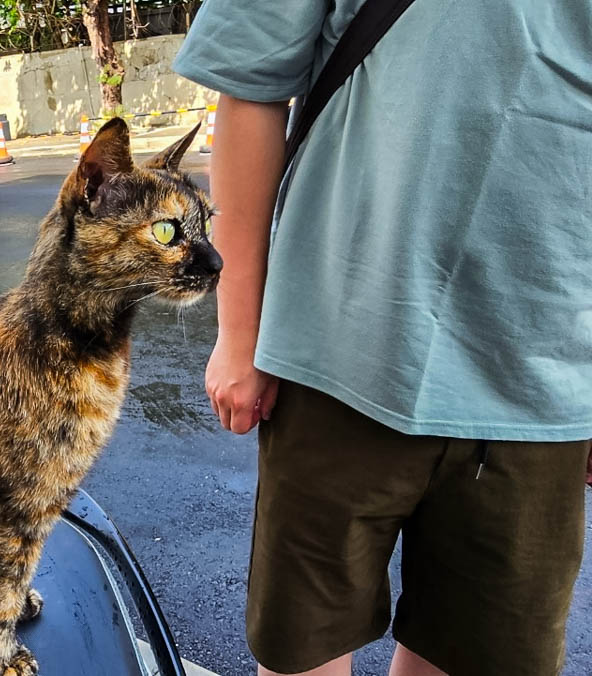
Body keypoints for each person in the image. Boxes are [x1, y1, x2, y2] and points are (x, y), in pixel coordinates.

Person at [172, 1, 592, 675]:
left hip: (546, 381)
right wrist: (240, 330)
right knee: (301, 649)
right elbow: (252, 83)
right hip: (337, 350)